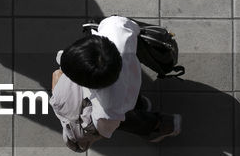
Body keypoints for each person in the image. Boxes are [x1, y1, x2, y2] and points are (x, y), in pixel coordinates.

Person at [50, 16, 181, 148]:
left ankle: (156, 126)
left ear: (87, 85)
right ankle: (142, 106)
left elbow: (103, 129)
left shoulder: (107, 109)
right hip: (131, 80)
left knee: (130, 119)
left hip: (122, 104)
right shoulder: (114, 26)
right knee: (130, 99)